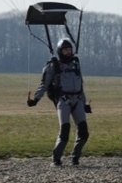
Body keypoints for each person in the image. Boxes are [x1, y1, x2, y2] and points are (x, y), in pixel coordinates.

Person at [27, 38, 89, 166]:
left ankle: (75, 157)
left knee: (84, 132)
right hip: (63, 100)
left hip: (77, 99)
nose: (68, 52)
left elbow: (80, 84)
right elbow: (44, 84)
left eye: (69, 49)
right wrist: (35, 99)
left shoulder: (75, 64)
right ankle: (56, 158)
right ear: (60, 51)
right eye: (65, 50)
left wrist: (84, 103)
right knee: (65, 131)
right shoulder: (53, 66)